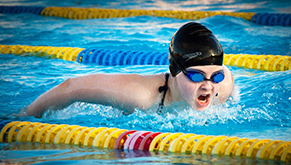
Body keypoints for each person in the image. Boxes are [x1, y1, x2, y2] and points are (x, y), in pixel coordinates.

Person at [24, 22, 234, 118]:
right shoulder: (141, 96)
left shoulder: (222, 87)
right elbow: (71, 87)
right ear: (174, 70)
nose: (208, 85)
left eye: (216, 75)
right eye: (196, 75)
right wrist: (25, 118)